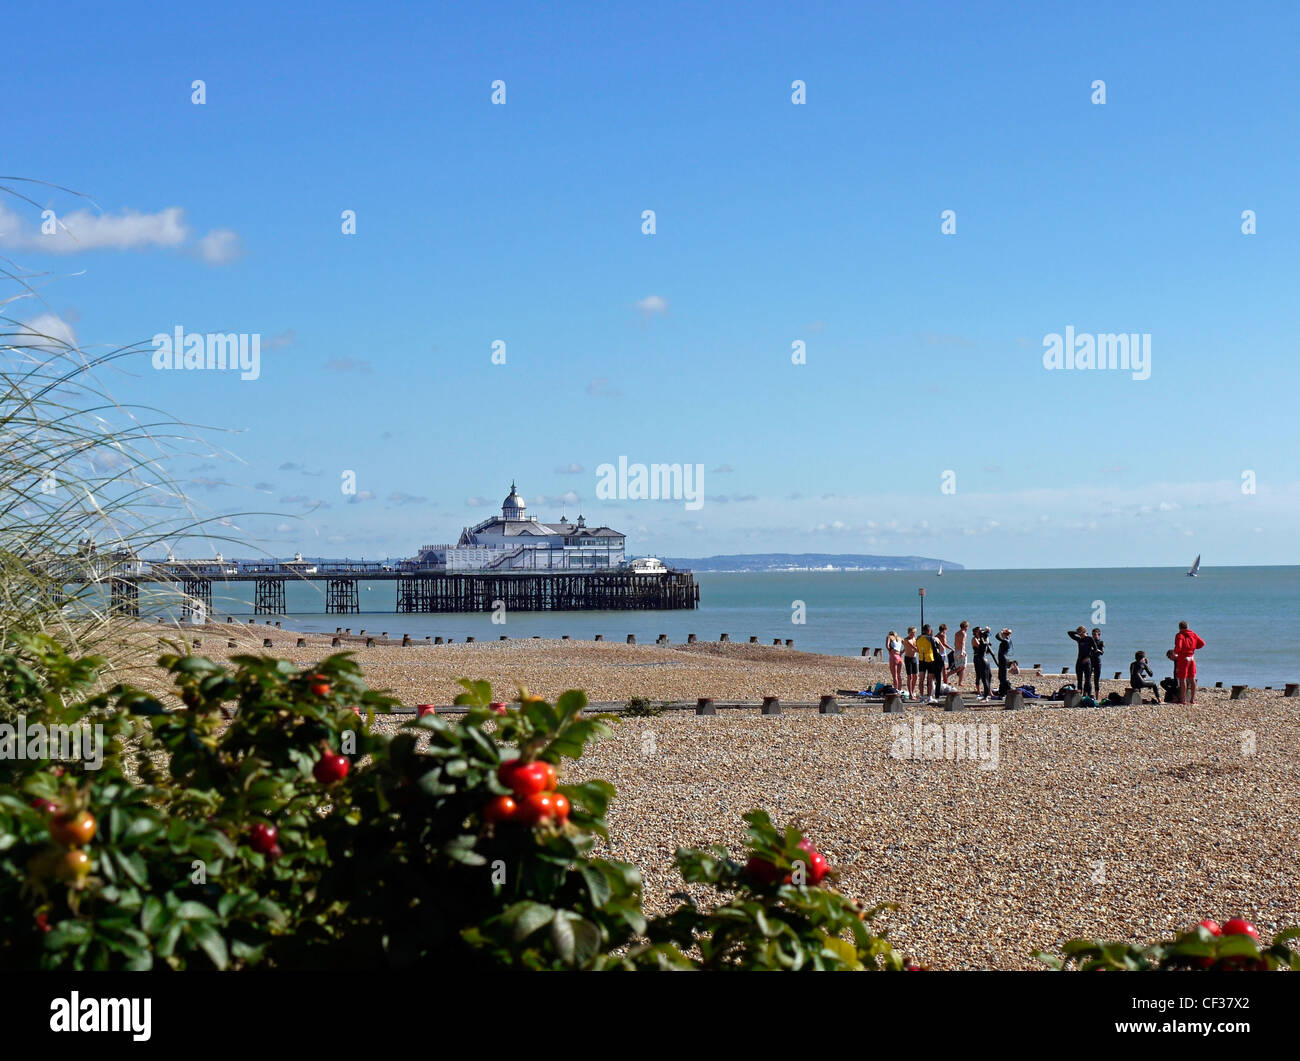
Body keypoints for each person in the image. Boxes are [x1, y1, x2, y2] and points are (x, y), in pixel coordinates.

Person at [1173, 620, 1205, 706]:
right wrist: (1194, 647)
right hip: (1192, 657)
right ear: (1187, 627)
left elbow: (1179, 646)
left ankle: (1183, 700)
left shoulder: (1180, 635)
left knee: (1182, 679)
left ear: (1180, 627)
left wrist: (1175, 652)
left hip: (1183, 658)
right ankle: (1192, 699)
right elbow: (1202, 643)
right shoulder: (1193, 634)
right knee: (1192, 678)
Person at [1068, 626, 1095, 696]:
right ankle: (1079, 696)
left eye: (1081, 633)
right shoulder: (1079, 639)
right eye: (1079, 634)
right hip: (1079, 661)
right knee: (1079, 680)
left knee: (1087, 680)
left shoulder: (1089, 639)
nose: (1080, 635)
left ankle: (1088, 695)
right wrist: (1077, 633)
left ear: (1084, 632)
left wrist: (1088, 657)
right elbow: (1069, 633)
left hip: (1087, 662)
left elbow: (1095, 650)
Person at [915, 624, 938, 700]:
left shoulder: (918, 638)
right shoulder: (931, 639)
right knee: (930, 679)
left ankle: (921, 696)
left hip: (921, 659)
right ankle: (929, 696)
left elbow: (917, 648)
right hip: (930, 659)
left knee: (921, 679)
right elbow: (935, 649)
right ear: (929, 630)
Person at [971, 626, 993, 700]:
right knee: (979, 674)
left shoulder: (983, 638)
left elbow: (987, 648)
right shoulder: (974, 639)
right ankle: (979, 691)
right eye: (979, 631)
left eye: (981, 631)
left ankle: (989, 691)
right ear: (975, 632)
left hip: (983, 658)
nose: (980, 632)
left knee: (988, 675)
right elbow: (979, 646)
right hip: (977, 658)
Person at [995, 628, 1013, 698]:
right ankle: (1002, 690)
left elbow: (997, 636)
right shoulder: (1008, 639)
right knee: (1001, 675)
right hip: (1004, 658)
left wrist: (1002, 631)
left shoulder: (1005, 641)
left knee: (1002, 676)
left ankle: (1005, 690)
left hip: (1003, 659)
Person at [902, 627, 919, 698]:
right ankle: (910, 693)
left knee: (915, 676)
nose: (913, 634)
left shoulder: (915, 639)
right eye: (911, 633)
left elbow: (916, 647)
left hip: (914, 658)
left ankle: (912, 690)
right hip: (908, 658)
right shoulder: (906, 640)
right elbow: (912, 647)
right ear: (909, 633)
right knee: (910, 676)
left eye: (914, 633)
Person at [952, 620, 969, 687]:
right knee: (962, 667)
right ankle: (959, 682)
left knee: (959, 667)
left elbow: (955, 643)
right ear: (965, 627)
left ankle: (959, 682)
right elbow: (963, 643)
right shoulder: (963, 633)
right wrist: (962, 651)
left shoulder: (957, 633)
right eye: (967, 627)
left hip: (956, 651)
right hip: (961, 651)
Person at [1089, 628, 1105, 698]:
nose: (1093, 636)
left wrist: (1096, 649)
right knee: (1088, 678)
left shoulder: (1101, 642)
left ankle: (1097, 697)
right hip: (1090, 661)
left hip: (1097, 662)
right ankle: (1087, 694)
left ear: (1099, 635)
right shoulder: (1090, 642)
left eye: (1095, 635)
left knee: (1096, 679)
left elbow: (1102, 652)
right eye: (1092, 634)